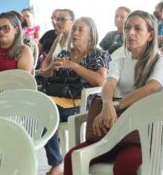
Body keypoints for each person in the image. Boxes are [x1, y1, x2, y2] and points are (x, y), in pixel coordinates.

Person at [63, 10, 163, 175]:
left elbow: (151, 88)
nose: (130, 33)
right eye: (128, 28)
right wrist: (107, 104)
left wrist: (116, 106)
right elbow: (109, 85)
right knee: (72, 157)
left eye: (137, 28)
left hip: (142, 136)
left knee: (125, 164)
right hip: (112, 133)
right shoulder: (119, 61)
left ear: (150, 35)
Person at [39, 17, 110, 175]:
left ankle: (57, 164)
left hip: (84, 103)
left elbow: (100, 81)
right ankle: (57, 161)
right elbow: (47, 75)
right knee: (41, 112)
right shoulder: (65, 53)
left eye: (80, 30)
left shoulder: (98, 54)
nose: (75, 33)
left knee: (48, 115)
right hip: (59, 98)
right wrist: (51, 68)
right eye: (74, 29)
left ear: (90, 35)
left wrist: (74, 66)